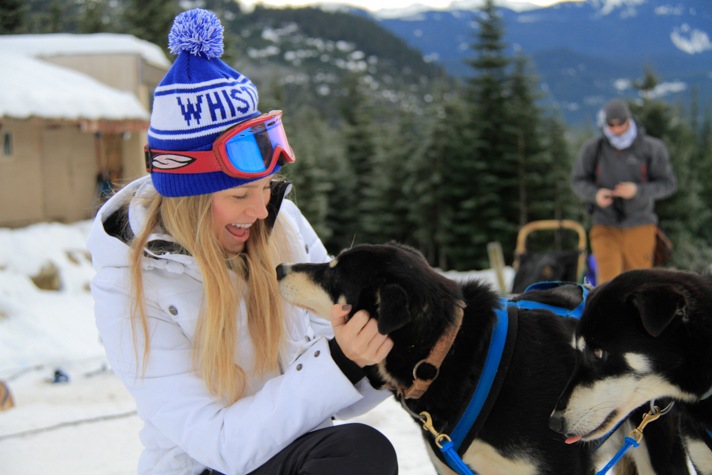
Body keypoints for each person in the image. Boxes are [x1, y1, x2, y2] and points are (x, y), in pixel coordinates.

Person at [87, 9, 397, 475]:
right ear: (188, 199)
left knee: (356, 450)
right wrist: (338, 360)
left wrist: (372, 354)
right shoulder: (127, 284)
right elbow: (222, 446)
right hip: (204, 467)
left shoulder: (279, 222)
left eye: (267, 188)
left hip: (294, 451)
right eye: (239, 194)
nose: (261, 211)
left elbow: (339, 390)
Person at [571, 98, 677, 285]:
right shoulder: (593, 149)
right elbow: (578, 180)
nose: (616, 129)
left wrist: (637, 190)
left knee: (639, 284)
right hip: (604, 223)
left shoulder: (652, 148)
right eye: (611, 125)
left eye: (620, 124)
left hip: (640, 224)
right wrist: (595, 194)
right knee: (607, 285)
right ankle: (608, 315)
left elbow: (668, 184)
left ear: (629, 119)